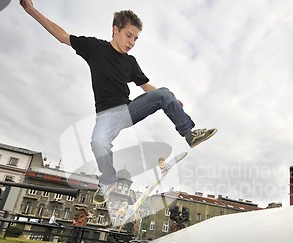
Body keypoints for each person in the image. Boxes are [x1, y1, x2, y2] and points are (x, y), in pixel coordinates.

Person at [20, 1, 217, 204]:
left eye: (136, 39)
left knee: (164, 93)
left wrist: (170, 99)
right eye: (129, 35)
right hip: (106, 116)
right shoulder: (94, 48)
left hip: (128, 111)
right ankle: (108, 181)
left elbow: (146, 86)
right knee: (98, 142)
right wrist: (32, 10)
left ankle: (190, 134)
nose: (132, 42)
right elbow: (62, 36)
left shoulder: (130, 62)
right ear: (116, 29)